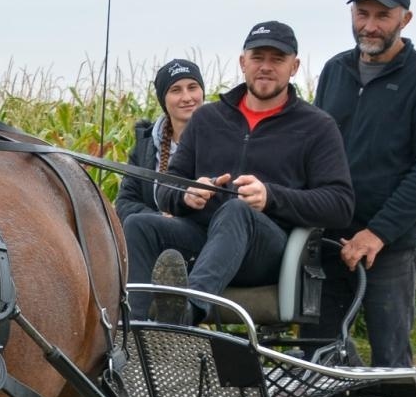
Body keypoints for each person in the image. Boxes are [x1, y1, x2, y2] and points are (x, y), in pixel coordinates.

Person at [124, 21, 354, 322]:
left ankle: (186, 312)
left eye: (277, 59)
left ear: (294, 66)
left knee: (237, 211)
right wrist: (187, 193)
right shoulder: (207, 119)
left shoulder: (317, 127)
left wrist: (270, 197)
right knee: (139, 225)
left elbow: (340, 205)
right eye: (258, 58)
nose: (266, 67)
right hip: (202, 239)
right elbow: (167, 188)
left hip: (268, 252)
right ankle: (132, 330)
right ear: (243, 62)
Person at [312, 0, 416, 368]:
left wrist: (377, 233)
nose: (369, 26)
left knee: (390, 355)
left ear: (404, 19)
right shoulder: (334, 70)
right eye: (362, 13)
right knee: (321, 355)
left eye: (382, 16)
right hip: (329, 239)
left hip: (388, 246)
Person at [115, 58, 205, 225]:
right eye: (176, 90)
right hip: (155, 240)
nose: (186, 97)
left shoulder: (224, 137)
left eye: (192, 88)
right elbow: (125, 202)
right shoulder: (145, 146)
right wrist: (159, 220)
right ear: (163, 100)